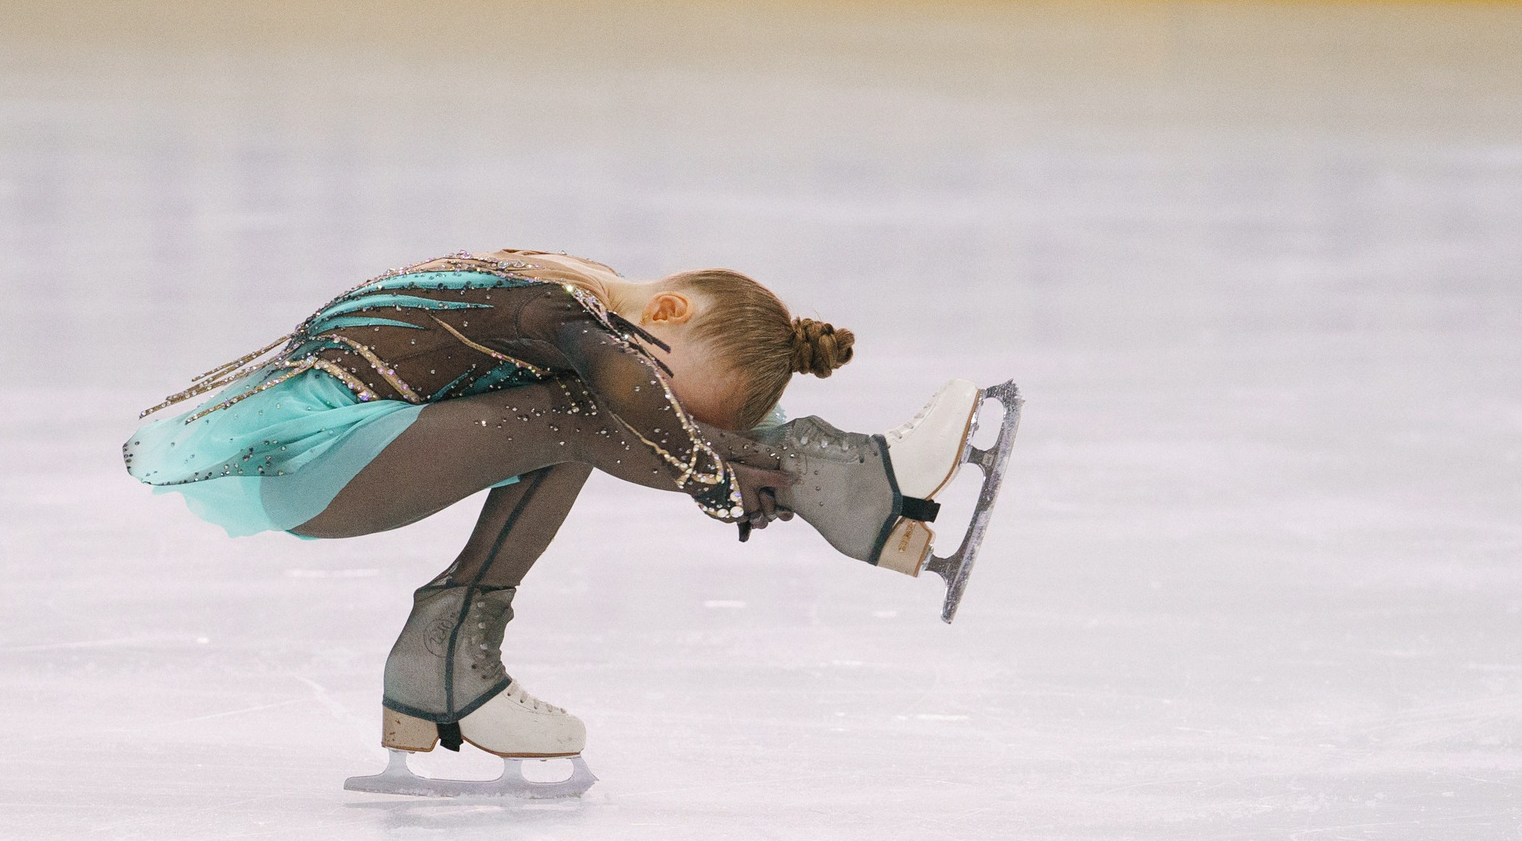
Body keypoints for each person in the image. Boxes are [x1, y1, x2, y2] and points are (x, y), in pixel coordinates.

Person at [124, 250, 987, 770]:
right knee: (586, 411)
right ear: (669, 310)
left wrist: (724, 451)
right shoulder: (557, 306)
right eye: (673, 389)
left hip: (356, 450)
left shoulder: (602, 318)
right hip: (317, 457)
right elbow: (628, 390)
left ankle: (441, 664)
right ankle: (862, 487)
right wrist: (710, 477)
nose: (672, 421)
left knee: (580, 416)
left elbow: (642, 396)